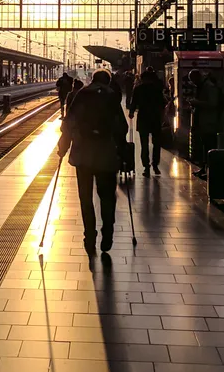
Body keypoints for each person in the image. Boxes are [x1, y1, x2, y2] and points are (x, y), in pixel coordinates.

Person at [57, 69, 127, 254]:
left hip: (83, 155)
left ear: (93, 80)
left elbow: (69, 123)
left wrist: (63, 147)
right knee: (107, 196)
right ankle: (108, 233)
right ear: (108, 81)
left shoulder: (82, 94)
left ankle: (90, 235)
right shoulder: (112, 97)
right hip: (107, 154)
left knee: (85, 197)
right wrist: (122, 151)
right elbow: (122, 127)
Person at [128, 67, 166, 177]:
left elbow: (133, 102)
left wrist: (131, 112)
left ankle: (146, 167)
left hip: (143, 117)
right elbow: (162, 104)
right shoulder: (157, 89)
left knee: (144, 143)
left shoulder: (138, 89)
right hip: (155, 117)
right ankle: (155, 164)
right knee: (156, 143)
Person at [187, 70, 224, 179]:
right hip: (204, 122)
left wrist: (196, 103)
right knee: (204, 146)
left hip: (209, 122)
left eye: (193, 80)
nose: (193, 83)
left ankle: (210, 169)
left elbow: (213, 103)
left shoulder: (209, 87)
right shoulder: (203, 86)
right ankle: (205, 168)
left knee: (209, 145)